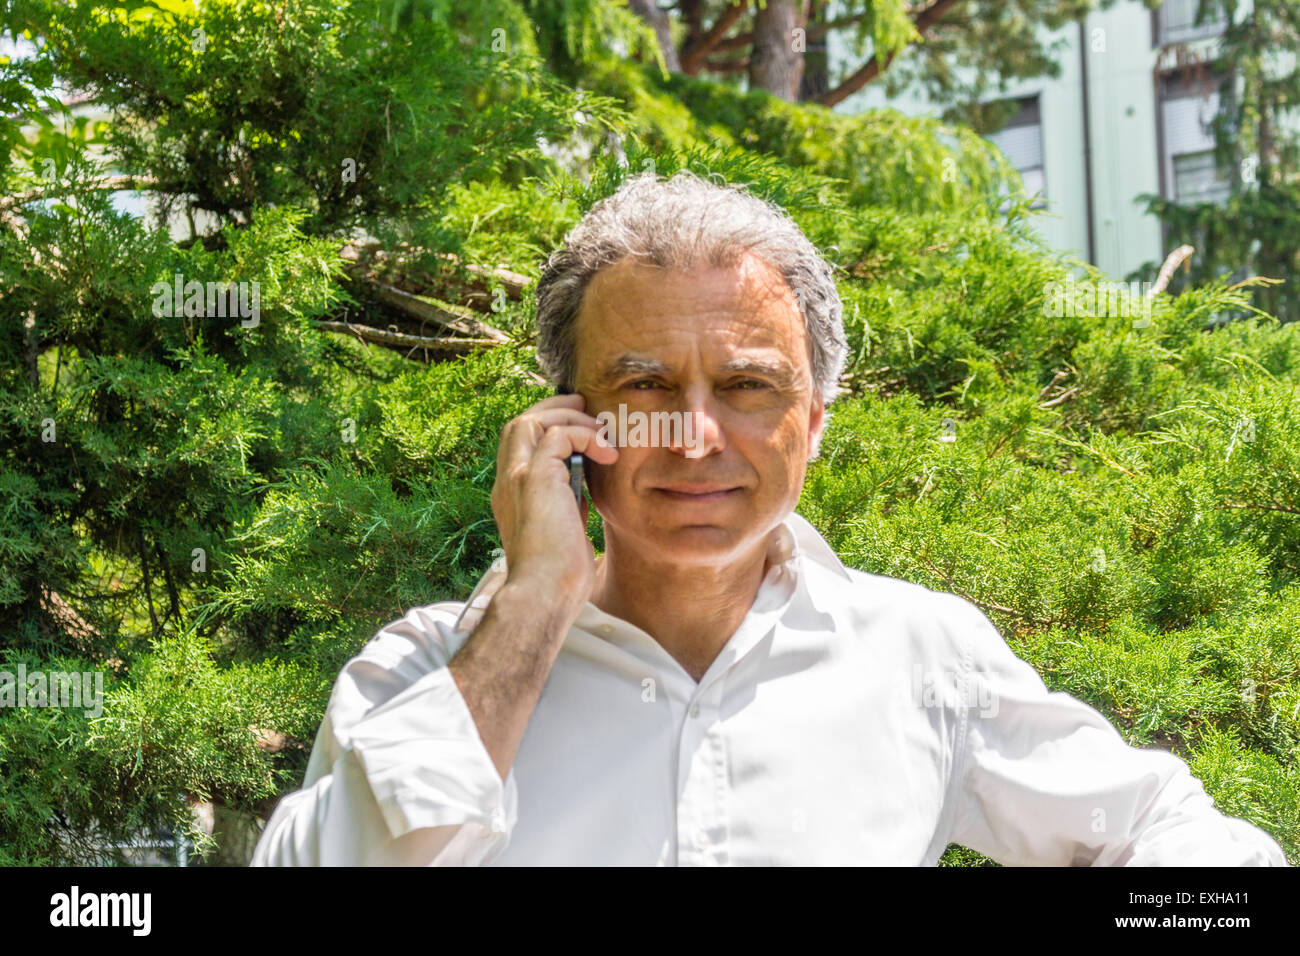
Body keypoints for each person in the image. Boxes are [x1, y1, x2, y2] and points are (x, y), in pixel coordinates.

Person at [250, 170, 1287, 866]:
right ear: (565, 419)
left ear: (814, 422)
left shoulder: (921, 655)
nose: (698, 435)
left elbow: (1163, 830)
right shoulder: (423, 669)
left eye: (747, 384)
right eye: (645, 383)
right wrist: (530, 608)